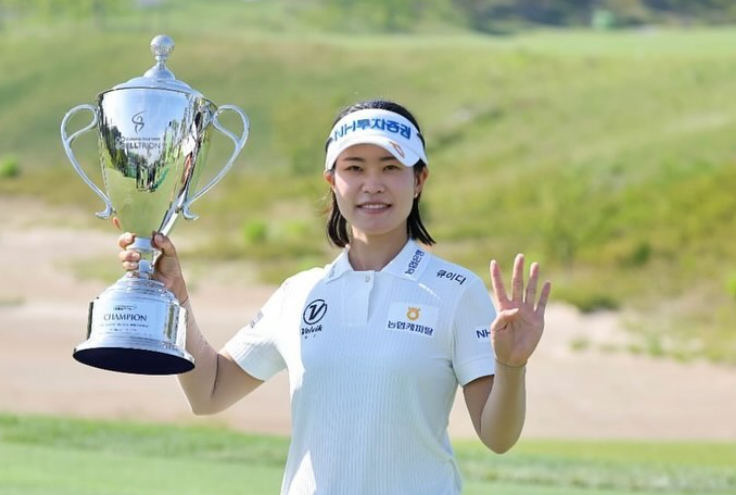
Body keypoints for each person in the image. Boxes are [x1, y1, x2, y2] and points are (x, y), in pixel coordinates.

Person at [116, 99, 551, 495]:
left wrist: (511, 366)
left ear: (419, 180)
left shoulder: (455, 290)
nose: (373, 184)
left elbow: (498, 437)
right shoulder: (300, 293)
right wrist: (175, 297)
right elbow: (209, 392)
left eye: (391, 167)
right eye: (354, 168)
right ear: (332, 181)